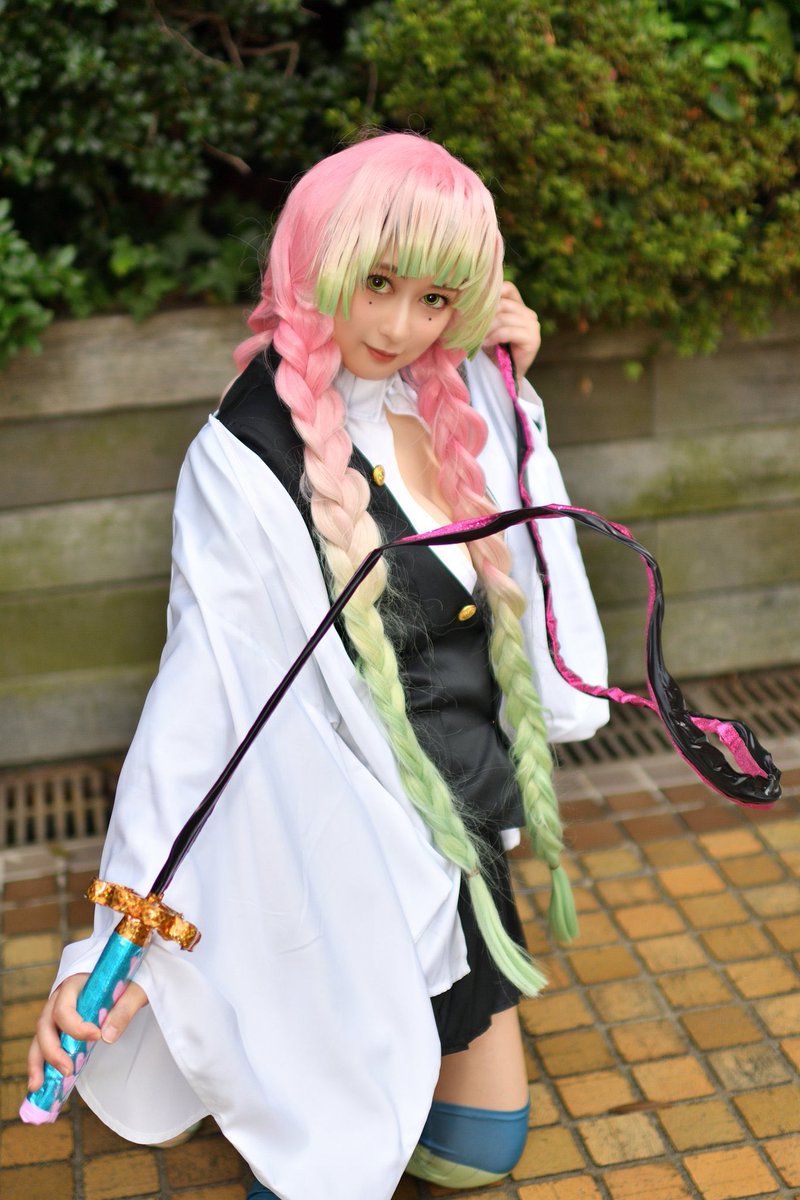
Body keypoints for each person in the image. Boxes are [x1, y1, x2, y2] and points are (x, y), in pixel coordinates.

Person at [27, 133, 608, 1200]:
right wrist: (120, 942)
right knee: (330, 1163)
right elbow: (202, 702)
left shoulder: (456, 395)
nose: (397, 326)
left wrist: (512, 392)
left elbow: (530, 558)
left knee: (477, 1155)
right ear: (315, 260)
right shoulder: (246, 456)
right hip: (342, 859)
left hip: (461, 837)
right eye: (376, 283)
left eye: (435, 299)